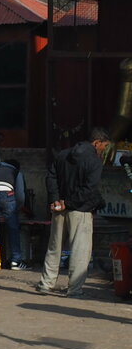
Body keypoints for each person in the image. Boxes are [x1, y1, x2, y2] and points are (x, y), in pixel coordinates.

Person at [36, 127, 110, 297]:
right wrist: (68, 203)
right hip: (80, 210)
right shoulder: (94, 161)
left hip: (59, 209)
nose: (104, 150)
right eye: (104, 146)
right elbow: (89, 190)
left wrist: (56, 199)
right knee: (80, 250)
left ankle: (46, 283)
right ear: (96, 143)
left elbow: (51, 177)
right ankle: (75, 289)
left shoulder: (63, 155)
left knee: (54, 247)